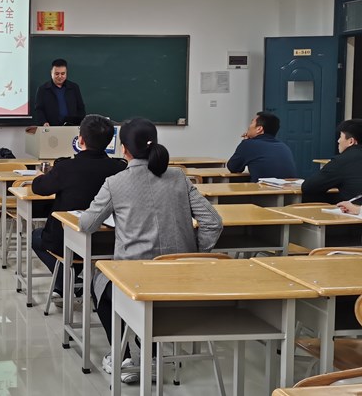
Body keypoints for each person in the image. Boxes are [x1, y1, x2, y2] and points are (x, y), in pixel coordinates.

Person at [78, 118, 223, 383]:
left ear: (123, 148)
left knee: (99, 283)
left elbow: (87, 225)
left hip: (135, 278)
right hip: (180, 278)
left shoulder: (115, 183)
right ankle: (153, 356)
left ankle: (122, 357)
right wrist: (195, 254)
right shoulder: (178, 177)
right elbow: (213, 222)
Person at [31, 114, 126, 305]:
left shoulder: (66, 166)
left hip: (66, 239)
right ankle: (70, 283)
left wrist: (41, 175)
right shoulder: (119, 168)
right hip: (108, 241)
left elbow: (39, 188)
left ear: (80, 139)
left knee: (36, 237)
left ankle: (66, 281)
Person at [302, 119, 362, 204]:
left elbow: (309, 187)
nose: (338, 141)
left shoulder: (342, 161)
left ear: (351, 141)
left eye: (340, 137)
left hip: (354, 210)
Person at [226, 111, 297, 182]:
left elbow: (233, 167)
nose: (249, 127)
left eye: (251, 123)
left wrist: (245, 142)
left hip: (264, 188)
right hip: (291, 187)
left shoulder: (249, 145)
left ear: (259, 129)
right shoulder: (284, 146)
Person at [34, 58, 86, 127]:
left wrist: (79, 122)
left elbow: (81, 108)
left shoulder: (74, 88)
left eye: (63, 74)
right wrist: (43, 122)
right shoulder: (43, 89)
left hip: (72, 127)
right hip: (51, 128)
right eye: (57, 74)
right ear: (51, 73)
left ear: (66, 73)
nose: (60, 76)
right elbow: (39, 109)